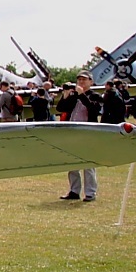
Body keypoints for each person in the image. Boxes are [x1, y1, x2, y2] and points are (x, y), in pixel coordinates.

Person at [56, 72, 102, 201]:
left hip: (88, 132)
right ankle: (74, 191)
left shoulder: (95, 96)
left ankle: (90, 193)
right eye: (79, 80)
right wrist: (65, 96)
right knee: (72, 163)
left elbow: (94, 109)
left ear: (91, 82)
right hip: (72, 132)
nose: (81, 82)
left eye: (84, 80)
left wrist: (82, 94)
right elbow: (60, 109)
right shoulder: (74, 96)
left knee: (88, 164)